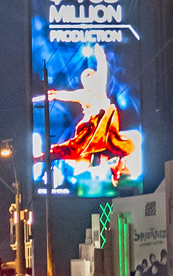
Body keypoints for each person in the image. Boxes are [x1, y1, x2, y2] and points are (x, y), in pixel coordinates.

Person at [36, 47, 133, 182]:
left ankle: (115, 166)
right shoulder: (83, 94)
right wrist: (54, 95)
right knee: (74, 149)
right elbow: (68, 95)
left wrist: (100, 57)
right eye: (88, 78)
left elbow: (102, 71)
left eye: (93, 77)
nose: (92, 80)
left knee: (120, 146)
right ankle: (43, 157)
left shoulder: (99, 88)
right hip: (90, 129)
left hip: (105, 126)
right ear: (85, 82)